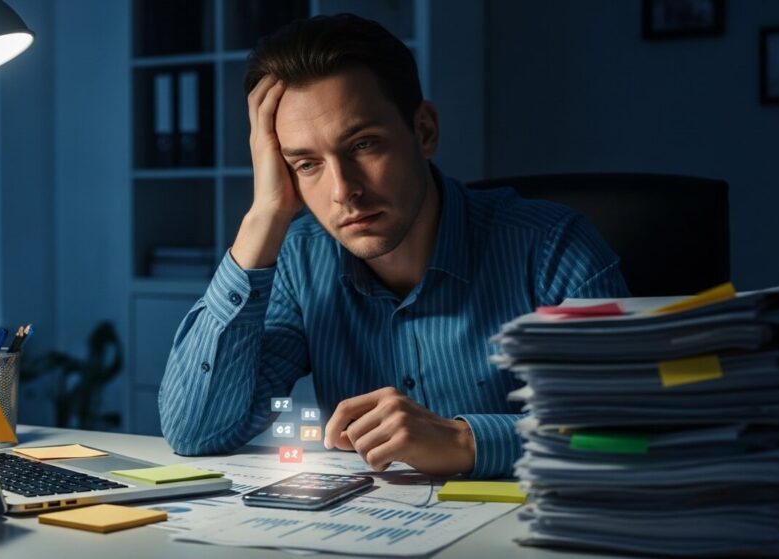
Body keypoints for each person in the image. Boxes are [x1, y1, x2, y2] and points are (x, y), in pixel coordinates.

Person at [158, 14, 630, 479]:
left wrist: (466, 441)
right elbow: (196, 431)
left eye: (364, 145)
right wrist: (263, 216)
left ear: (424, 131)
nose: (343, 190)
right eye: (307, 165)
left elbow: (629, 432)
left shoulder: (554, 250)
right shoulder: (301, 259)